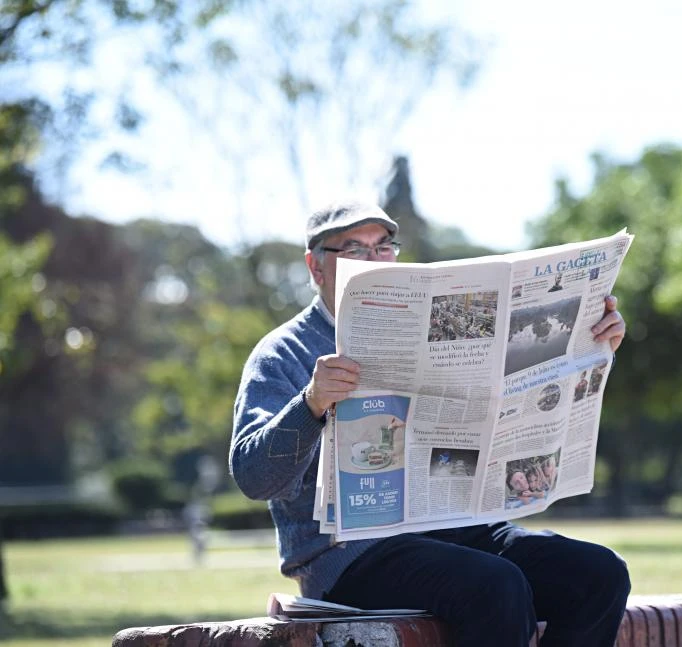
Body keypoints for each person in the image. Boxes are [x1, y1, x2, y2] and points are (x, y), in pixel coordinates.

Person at [230, 201, 630, 647]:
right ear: (316, 266)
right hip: (350, 555)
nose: (374, 260)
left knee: (599, 574)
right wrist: (312, 402)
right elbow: (254, 477)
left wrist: (588, 344)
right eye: (354, 249)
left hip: (460, 526)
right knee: (495, 585)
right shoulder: (282, 352)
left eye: (383, 247)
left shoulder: (435, 326)